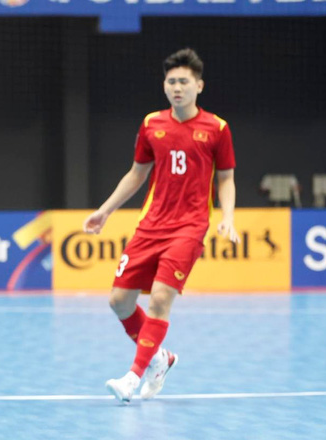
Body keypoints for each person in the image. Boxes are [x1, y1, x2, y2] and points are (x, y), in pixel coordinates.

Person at [83, 48, 237, 403]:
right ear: (164, 87)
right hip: (151, 225)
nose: (177, 87)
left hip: (190, 226)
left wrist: (227, 216)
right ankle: (160, 358)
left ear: (199, 85)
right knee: (119, 302)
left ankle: (133, 377)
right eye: (171, 81)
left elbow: (226, 179)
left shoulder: (217, 128)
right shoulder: (152, 124)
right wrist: (104, 211)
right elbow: (137, 174)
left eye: (184, 81)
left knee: (161, 298)